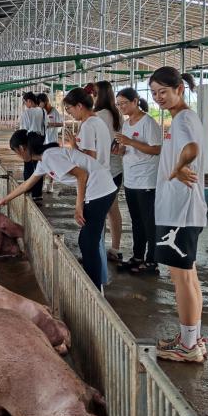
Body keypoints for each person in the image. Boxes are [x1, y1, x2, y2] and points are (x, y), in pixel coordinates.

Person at [0, 130, 117, 290]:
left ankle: (95, 288)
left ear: (22, 148)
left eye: (16, 152)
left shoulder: (50, 157)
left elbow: (81, 175)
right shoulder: (44, 160)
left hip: (100, 189)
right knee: (87, 241)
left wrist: (78, 206)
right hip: (99, 189)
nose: (17, 155)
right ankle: (95, 283)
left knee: (88, 242)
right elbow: (27, 184)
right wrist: (5, 200)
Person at [149, 67, 207, 363]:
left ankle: (188, 346)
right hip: (181, 210)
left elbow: (192, 148)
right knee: (189, 276)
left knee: (181, 279)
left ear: (179, 89)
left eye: (163, 91)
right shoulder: (182, 118)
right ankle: (191, 338)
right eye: (154, 93)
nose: (158, 97)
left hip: (179, 213)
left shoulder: (183, 118)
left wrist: (180, 167)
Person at [61, 87, 115, 287]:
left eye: (69, 109)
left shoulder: (88, 125)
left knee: (89, 241)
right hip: (104, 180)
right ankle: (100, 279)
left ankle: (95, 287)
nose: (70, 113)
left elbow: (89, 159)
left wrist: (73, 148)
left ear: (79, 106)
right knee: (94, 237)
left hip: (96, 185)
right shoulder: (98, 122)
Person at [115, 87, 162, 275]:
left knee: (149, 222)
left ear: (135, 101)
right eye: (119, 104)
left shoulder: (148, 123)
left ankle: (152, 261)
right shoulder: (127, 124)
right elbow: (126, 148)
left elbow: (156, 149)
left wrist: (130, 142)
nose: (121, 107)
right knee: (136, 220)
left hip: (146, 180)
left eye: (124, 103)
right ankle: (137, 256)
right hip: (131, 179)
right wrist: (120, 149)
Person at [93, 81, 125, 264]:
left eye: (94, 94)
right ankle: (115, 247)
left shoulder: (97, 116)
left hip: (102, 170)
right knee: (113, 209)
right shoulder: (117, 114)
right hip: (116, 168)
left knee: (99, 210)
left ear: (99, 96)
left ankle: (97, 248)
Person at [19, 92, 47, 201]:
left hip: (29, 140)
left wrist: (22, 145)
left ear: (29, 101)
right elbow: (46, 126)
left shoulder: (27, 113)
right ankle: (37, 194)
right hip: (40, 140)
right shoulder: (43, 111)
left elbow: (23, 130)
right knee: (39, 166)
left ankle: (28, 191)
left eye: (25, 102)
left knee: (28, 166)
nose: (25, 104)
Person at [38, 92, 65, 195]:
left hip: (52, 141)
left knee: (52, 164)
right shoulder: (40, 112)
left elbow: (61, 123)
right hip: (43, 142)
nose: (39, 105)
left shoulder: (54, 111)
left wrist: (51, 124)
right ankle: (43, 184)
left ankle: (51, 185)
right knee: (43, 163)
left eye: (40, 102)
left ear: (45, 102)